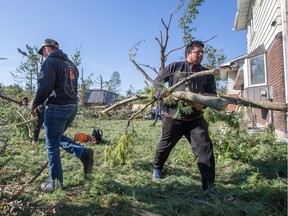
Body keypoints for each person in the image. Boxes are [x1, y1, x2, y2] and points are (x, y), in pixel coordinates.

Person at [152, 40, 216, 191]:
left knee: (205, 147)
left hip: (195, 118)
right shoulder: (175, 67)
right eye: (197, 52)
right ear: (188, 53)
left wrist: (203, 103)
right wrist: (164, 94)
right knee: (165, 145)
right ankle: (157, 168)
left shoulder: (206, 73)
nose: (200, 55)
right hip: (172, 116)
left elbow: (212, 94)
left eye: (202, 53)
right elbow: (157, 82)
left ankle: (208, 185)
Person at [31, 39, 94, 192]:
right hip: (72, 107)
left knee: (52, 144)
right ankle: (82, 152)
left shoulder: (50, 62)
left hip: (57, 108)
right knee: (56, 138)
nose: (43, 55)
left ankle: (56, 184)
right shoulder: (72, 65)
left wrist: (34, 104)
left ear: (47, 48)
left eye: (43, 52)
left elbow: (45, 86)